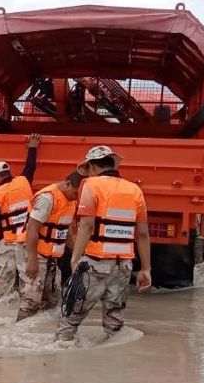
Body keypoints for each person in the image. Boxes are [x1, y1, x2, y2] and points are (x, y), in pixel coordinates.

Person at [56, 145, 151, 344]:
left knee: (70, 317)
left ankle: (59, 361)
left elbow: (86, 226)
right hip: (123, 267)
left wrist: (74, 259)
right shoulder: (135, 190)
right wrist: (146, 269)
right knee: (115, 323)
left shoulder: (91, 185)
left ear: (91, 167)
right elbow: (142, 234)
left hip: (94, 265)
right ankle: (111, 365)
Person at [0, 134, 42, 298]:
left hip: (8, 244)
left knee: (5, 287)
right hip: (28, 242)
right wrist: (33, 147)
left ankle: (5, 316)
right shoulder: (24, 181)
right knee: (28, 283)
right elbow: (30, 166)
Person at [18, 171, 83, 321]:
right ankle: (18, 334)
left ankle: (39, 332)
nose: (77, 197)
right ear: (67, 183)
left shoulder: (70, 200)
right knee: (31, 301)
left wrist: (78, 254)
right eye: (75, 192)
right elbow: (32, 229)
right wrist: (32, 260)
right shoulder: (47, 198)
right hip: (34, 253)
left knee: (54, 300)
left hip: (51, 257)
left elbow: (65, 230)